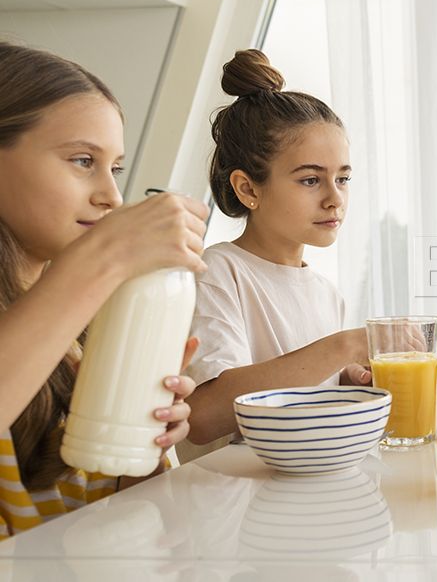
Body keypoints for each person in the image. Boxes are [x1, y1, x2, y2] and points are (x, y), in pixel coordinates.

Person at [0, 41, 207, 537]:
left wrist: (142, 447)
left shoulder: (81, 335)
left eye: (114, 167)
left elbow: (120, 518)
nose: (111, 195)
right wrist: (107, 255)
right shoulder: (70, 301)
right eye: (81, 160)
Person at [182, 49, 369, 456]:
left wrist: (345, 382)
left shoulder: (324, 292)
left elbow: (299, 392)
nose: (335, 199)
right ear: (248, 189)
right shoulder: (217, 271)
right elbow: (204, 416)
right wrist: (344, 348)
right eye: (309, 180)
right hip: (227, 504)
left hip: (297, 499)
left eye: (343, 178)